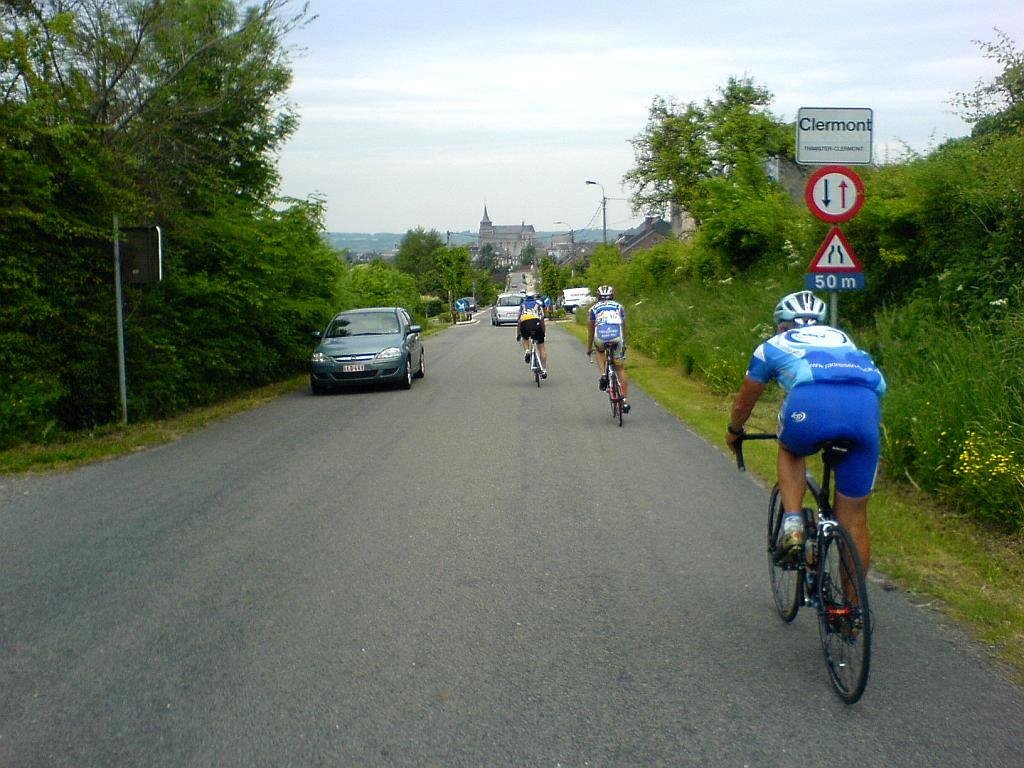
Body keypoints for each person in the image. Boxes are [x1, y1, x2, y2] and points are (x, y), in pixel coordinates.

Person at [725, 290, 886, 571]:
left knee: (789, 448)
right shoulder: (844, 340)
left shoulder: (773, 344)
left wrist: (734, 431)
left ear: (782, 324)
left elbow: (744, 401)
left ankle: (793, 523)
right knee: (854, 519)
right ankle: (851, 610)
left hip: (811, 405)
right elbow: (880, 387)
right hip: (864, 406)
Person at [586, 285, 630, 413]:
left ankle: (604, 374)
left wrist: (589, 347)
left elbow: (591, 330)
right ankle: (625, 401)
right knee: (620, 368)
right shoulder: (619, 307)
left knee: (599, 351)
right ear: (612, 295)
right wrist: (624, 341)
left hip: (601, 337)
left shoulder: (593, 309)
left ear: (598, 297)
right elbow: (623, 325)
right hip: (617, 337)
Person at [516, 291, 547, 378]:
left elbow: (519, 321)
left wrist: (518, 333)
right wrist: (543, 332)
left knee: (525, 338)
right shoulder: (538, 305)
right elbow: (542, 320)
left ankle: (527, 351)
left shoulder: (522, 305)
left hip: (525, 324)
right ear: (534, 297)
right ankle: (544, 370)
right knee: (541, 348)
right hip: (536, 324)